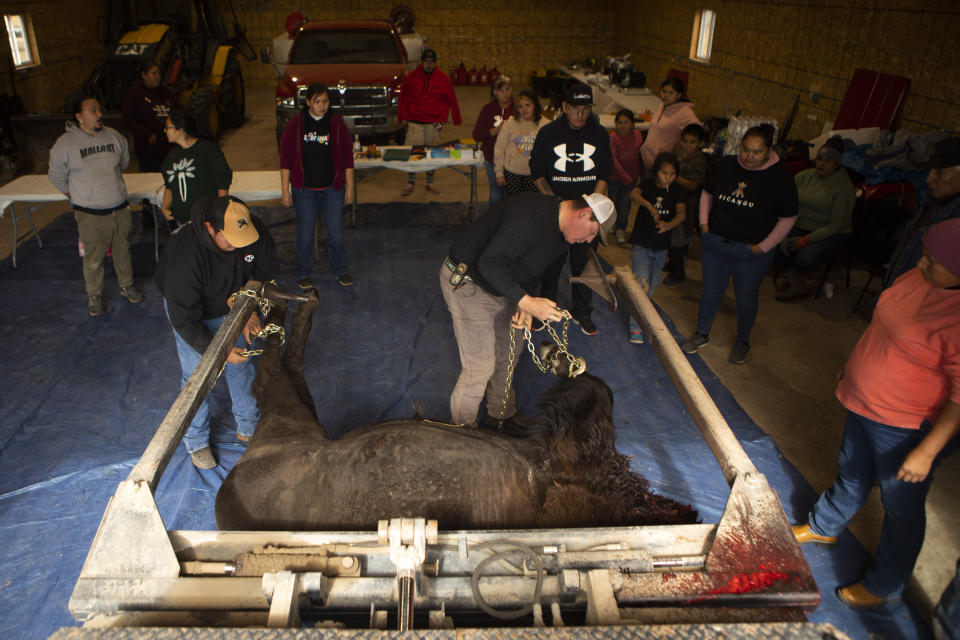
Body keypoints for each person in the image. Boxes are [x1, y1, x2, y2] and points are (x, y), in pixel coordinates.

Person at [792, 218, 960, 611]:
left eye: (933, 260)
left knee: (901, 507)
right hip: (865, 402)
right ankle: (824, 525)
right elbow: (882, 329)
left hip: (904, 426)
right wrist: (855, 367)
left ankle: (886, 584)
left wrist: (927, 452)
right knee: (851, 471)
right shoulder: (919, 279)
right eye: (924, 254)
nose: (921, 263)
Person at [439, 192, 615, 429]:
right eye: (592, 233)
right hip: (471, 284)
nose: (588, 240)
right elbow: (489, 262)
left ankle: (500, 413)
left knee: (510, 350)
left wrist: (527, 305)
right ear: (584, 213)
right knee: (480, 366)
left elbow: (535, 269)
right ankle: (460, 434)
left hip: (505, 286)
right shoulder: (531, 215)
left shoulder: (564, 238)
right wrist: (526, 300)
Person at [155, 196, 281, 469]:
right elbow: (184, 319)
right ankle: (196, 441)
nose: (240, 244)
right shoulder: (184, 255)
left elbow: (263, 272)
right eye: (230, 239)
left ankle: (248, 427)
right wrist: (219, 351)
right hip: (193, 310)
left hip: (234, 302)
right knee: (199, 375)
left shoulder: (252, 233)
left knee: (243, 363)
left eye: (243, 237)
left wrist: (250, 310)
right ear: (211, 228)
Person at [681, 124, 797, 364]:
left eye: (756, 152)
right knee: (710, 291)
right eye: (745, 150)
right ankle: (702, 333)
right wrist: (704, 226)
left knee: (746, 297)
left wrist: (763, 247)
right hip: (716, 244)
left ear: (768, 151)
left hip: (750, 253)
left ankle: (743, 341)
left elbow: (788, 218)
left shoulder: (780, 177)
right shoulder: (725, 165)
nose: (749, 157)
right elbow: (707, 194)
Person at [529, 81, 613, 336]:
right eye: (576, 109)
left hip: (586, 217)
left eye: (586, 109)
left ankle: (582, 312)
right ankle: (546, 310)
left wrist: (591, 211)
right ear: (564, 107)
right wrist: (557, 208)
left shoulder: (599, 135)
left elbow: (604, 174)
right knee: (551, 265)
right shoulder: (548, 134)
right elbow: (538, 174)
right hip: (557, 215)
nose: (581, 115)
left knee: (584, 267)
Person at [48, 95, 144, 316]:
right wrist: (76, 195)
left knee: (123, 250)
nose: (99, 115)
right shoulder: (65, 144)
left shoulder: (114, 137)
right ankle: (95, 295)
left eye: (99, 110)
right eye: (92, 111)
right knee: (93, 258)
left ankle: (126, 285)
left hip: (119, 209)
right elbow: (56, 176)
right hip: (90, 214)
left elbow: (123, 162)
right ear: (79, 116)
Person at [279, 82, 355, 288]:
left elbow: (348, 158)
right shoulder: (296, 124)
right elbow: (285, 159)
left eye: (325, 101)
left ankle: (341, 270)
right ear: (308, 102)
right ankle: (303, 273)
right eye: (317, 101)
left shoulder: (337, 124)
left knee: (335, 231)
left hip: (332, 189)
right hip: (304, 191)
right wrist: (285, 190)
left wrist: (349, 187)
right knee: (305, 231)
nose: (322, 106)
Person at [775, 136, 856, 301]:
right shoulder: (804, 176)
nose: (821, 164)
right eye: (819, 159)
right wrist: (782, 229)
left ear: (837, 164)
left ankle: (797, 278)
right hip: (800, 224)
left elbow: (835, 225)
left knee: (806, 256)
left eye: (828, 161)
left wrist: (806, 240)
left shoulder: (844, 188)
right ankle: (794, 279)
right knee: (770, 238)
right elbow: (787, 204)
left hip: (831, 232)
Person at [884, 136, 960, 288]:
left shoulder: (955, 224)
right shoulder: (931, 204)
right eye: (930, 170)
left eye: (939, 172)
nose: (929, 178)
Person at [627, 152, 685, 344]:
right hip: (641, 244)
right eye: (664, 173)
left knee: (652, 284)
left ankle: (638, 310)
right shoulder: (647, 185)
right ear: (656, 172)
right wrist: (648, 205)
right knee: (642, 285)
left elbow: (682, 213)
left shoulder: (677, 190)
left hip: (661, 248)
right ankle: (636, 327)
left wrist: (669, 225)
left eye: (672, 173)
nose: (668, 177)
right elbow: (633, 194)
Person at [397, 48, 462, 197]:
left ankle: (429, 183)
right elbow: (402, 98)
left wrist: (456, 118)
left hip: (434, 124)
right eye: (426, 62)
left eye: (432, 62)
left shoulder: (444, 79)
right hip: (414, 123)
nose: (429, 65)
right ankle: (410, 183)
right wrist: (401, 117)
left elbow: (453, 99)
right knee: (414, 153)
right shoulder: (411, 78)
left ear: (435, 63)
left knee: (433, 154)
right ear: (421, 62)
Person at [161, 110, 232, 225]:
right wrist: (165, 207)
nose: (164, 130)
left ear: (180, 129)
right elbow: (169, 186)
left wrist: (219, 212)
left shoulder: (207, 150)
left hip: (206, 220)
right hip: (182, 220)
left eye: (168, 127)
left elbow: (222, 182)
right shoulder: (171, 156)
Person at [664, 123, 708, 285]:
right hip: (673, 202)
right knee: (670, 237)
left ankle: (678, 271)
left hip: (688, 206)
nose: (687, 145)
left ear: (701, 143)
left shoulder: (700, 160)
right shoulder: (679, 154)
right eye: (685, 141)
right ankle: (672, 263)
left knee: (679, 240)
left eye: (692, 142)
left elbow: (693, 186)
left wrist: (673, 176)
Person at [639, 77, 700, 176]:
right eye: (664, 91)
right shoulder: (662, 105)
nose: (665, 95)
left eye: (670, 93)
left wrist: (681, 144)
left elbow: (697, 131)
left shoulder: (684, 111)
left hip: (662, 164)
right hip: (647, 160)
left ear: (679, 95)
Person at [493, 88, 548, 196]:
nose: (524, 109)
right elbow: (499, 148)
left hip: (535, 176)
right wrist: (499, 172)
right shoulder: (510, 124)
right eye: (520, 106)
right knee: (514, 206)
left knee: (533, 205)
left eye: (528, 105)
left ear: (535, 105)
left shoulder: (546, 125)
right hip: (512, 174)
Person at [121, 61, 173, 172]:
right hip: (148, 150)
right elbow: (127, 119)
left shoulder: (164, 92)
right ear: (143, 75)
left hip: (168, 147)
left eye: (159, 73)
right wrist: (147, 134)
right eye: (154, 73)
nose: (158, 77)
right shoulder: (134, 93)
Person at [473, 75, 513, 207]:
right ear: (495, 92)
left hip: (515, 160)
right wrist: (495, 131)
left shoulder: (519, 108)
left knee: (513, 195)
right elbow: (477, 135)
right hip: (492, 159)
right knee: (496, 195)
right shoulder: (487, 110)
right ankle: (493, 223)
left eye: (507, 89)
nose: (505, 93)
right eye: (501, 90)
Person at [609, 108, 644, 244]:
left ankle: (621, 228)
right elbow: (614, 160)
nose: (622, 125)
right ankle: (612, 223)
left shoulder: (638, 135)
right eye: (619, 122)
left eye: (626, 122)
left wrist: (641, 175)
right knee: (613, 202)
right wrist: (626, 178)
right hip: (615, 179)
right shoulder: (613, 137)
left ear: (633, 124)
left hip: (632, 179)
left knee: (625, 204)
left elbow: (640, 156)